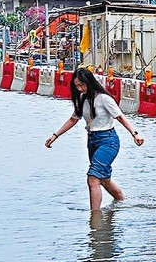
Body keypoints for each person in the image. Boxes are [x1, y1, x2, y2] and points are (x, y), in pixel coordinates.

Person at [45, 67, 145, 211]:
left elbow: (120, 117)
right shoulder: (82, 99)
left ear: (89, 82)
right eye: (77, 86)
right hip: (92, 141)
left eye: (82, 85)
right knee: (103, 179)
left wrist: (135, 134)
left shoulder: (104, 99)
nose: (80, 89)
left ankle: (95, 217)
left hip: (108, 141)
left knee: (92, 178)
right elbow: (73, 119)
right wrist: (55, 136)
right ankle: (123, 202)